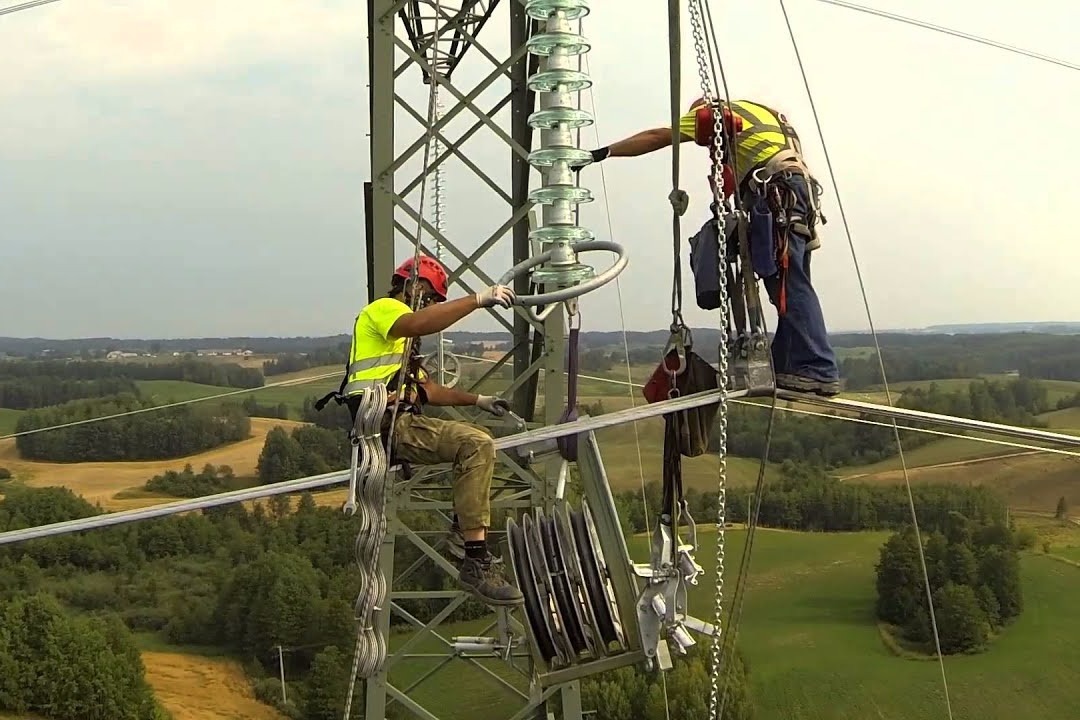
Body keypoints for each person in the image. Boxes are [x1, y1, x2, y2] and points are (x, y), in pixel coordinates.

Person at [579, 97, 840, 396]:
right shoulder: (763, 114)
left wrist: (602, 153)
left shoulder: (711, 113)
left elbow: (658, 136)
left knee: (788, 284)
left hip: (777, 192)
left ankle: (817, 367)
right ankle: (789, 364)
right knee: (786, 283)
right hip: (795, 193)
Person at [331, 254, 524, 607]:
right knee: (476, 444)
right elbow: (419, 323)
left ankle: (464, 533)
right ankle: (475, 558)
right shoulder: (383, 310)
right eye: (433, 298)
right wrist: (478, 299)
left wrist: (478, 400)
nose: (434, 305)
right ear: (414, 286)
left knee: (473, 446)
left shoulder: (400, 350)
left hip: (397, 422)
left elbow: (429, 390)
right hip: (384, 423)